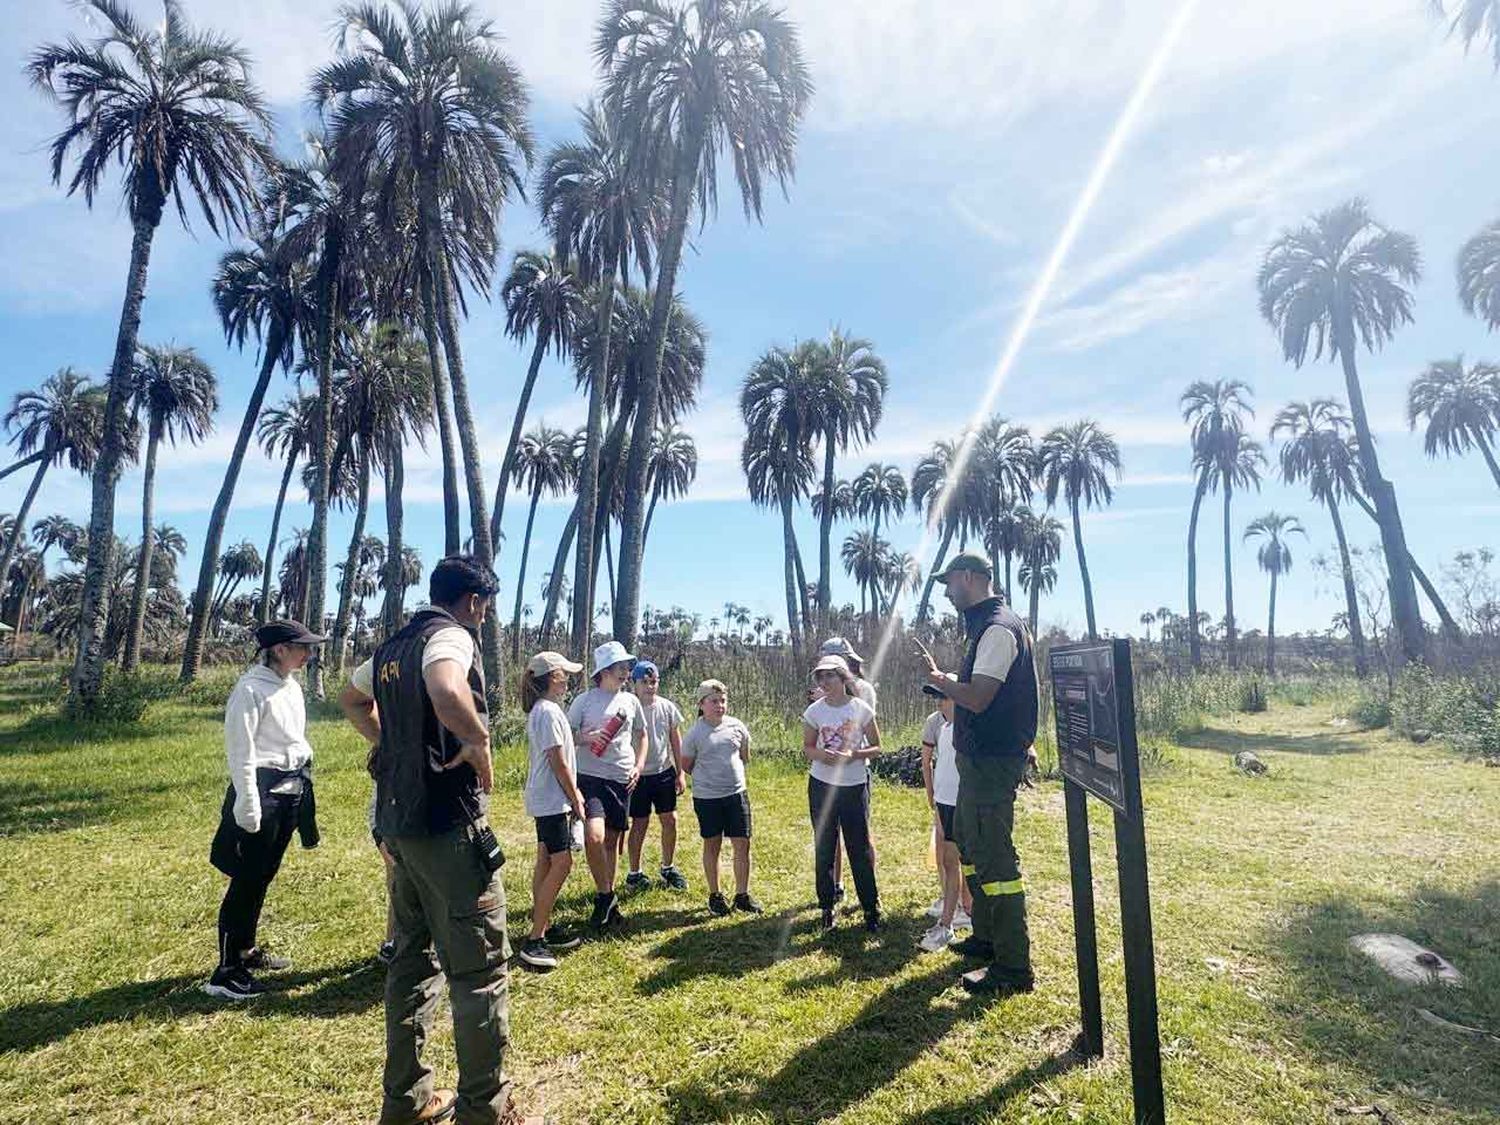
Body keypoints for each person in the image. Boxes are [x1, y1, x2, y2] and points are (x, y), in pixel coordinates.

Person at [339, 555, 514, 1125]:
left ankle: (406, 1102)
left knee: (410, 964)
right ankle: (485, 1111)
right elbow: (444, 687)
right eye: (484, 607)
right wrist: (479, 738)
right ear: (473, 602)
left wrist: (389, 745)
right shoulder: (451, 638)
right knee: (479, 973)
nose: (484, 617)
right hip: (448, 828)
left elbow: (350, 699)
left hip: (398, 828)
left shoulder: (391, 647)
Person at [917, 550, 1039, 998]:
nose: (946, 593)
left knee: (995, 860)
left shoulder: (997, 628)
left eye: (949, 583)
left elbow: (981, 697)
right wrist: (951, 681)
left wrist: (944, 681)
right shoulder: (986, 628)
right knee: (970, 846)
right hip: (978, 762)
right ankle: (985, 937)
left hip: (990, 763)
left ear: (969, 578)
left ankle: (1012, 964)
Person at [205, 619, 327, 1000]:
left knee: (264, 875)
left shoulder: (289, 687)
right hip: (261, 793)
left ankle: (247, 949)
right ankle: (226, 970)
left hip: (291, 791)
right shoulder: (250, 689)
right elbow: (240, 752)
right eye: (301, 647)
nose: (308, 654)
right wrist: (248, 804)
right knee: (246, 879)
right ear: (278, 650)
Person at [568, 640, 648, 933]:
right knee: (595, 836)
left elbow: (642, 736)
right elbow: (567, 735)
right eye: (621, 667)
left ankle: (607, 898)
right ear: (604, 670)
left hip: (621, 778)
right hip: (590, 777)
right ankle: (605, 895)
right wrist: (588, 738)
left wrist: (639, 766)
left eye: (627, 666)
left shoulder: (630, 701)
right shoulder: (585, 701)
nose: (626, 671)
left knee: (613, 841)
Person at [802, 654, 884, 932]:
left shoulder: (860, 708)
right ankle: (826, 907)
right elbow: (808, 748)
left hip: (854, 784)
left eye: (830, 676)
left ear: (843, 677)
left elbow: (877, 746)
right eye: (820, 677)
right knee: (824, 846)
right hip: (822, 785)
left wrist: (854, 754)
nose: (824, 682)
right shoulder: (815, 711)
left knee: (858, 848)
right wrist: (823, 755)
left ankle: (871, 909)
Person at [518, 651, 587, 971]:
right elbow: (558, 761)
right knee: (562, 862)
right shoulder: (546, 712)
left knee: (546, 859)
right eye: (564, 674)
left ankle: (542, 925)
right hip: (551, 799)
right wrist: (576, 798)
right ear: (552, 678)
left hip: (548, 798)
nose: (568, 679)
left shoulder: (547, 710)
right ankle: (534, 939)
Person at [681, 679, 761, 915]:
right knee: (712, 844)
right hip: (707, 798)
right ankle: (715, 896)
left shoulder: (737, 726)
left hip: (736, 795)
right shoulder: (695, 733)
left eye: (723, 701)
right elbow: (687, 764)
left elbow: (744, 755)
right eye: (714, 701)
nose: (719, 705)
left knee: (742, 844)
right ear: (701, 704)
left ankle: (742, 895)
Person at [815, 637, 878, 906]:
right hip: (827, 773)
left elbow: (862, 725)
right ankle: (836, 885)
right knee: (830, 835)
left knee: (859, 835)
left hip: (854, 768)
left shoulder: (862, 689)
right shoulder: (823, 694)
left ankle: (869, 893)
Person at [624, 660, 688, 892]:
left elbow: (675, 740)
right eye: (645, 682)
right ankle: (634, 873)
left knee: (670, 820)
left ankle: (668, 867)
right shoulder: (628, 708)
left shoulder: (667, 707)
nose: (650, 687)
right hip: (638, 775)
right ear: (635, 684)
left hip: (663, 772)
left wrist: (680, 771)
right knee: (639, 823)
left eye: (654, 682)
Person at [918, 684, 972, 952]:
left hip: (965, 805)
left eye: (944, 697)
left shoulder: (969, 730)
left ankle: (963, 917)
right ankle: (948, 924)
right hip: (946, 805)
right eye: (937, 698)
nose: (939, 703)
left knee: (968, 863)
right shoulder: (944, 728)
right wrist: (937, 803)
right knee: (950, 862)